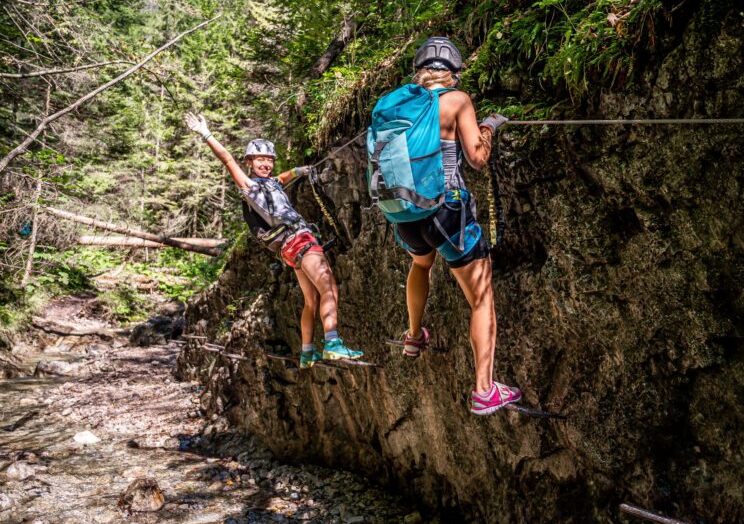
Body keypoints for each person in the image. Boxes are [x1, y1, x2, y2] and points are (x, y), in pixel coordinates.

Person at [368, 37, 521, 415]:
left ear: (419, 72)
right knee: (481, 298)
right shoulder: (456, 101)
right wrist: (489, 125)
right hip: (446, 211)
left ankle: (414, 335)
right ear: (452, 74)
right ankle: (485, 390)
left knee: (421, 264)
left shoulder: (395, 104)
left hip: (405, 215)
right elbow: (477, 158)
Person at [184, 113, 364, 368]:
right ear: (249, 162)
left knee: (311, 299)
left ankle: (307, 351)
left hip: (289, 248)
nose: (266, 164)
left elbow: (281, 179)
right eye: (260, 159)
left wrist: (298, 171)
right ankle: (333, 343)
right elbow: (227, 160)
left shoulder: (270, 184)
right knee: (329, 288)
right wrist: (206, 134)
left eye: (269, 159)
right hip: (299, 240)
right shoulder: (249, 186)